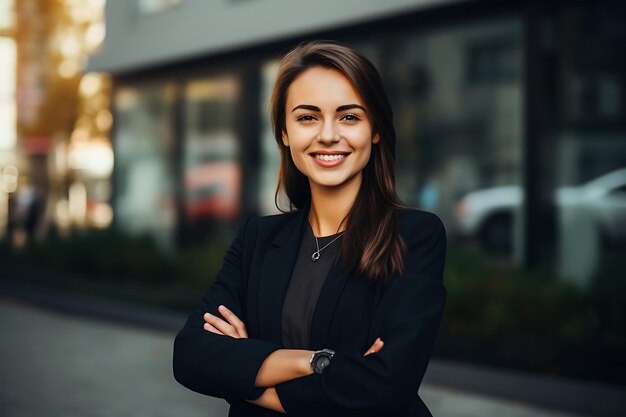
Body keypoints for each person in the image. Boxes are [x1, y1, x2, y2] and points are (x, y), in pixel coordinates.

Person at [173, 40, 447, 417]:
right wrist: (320, 361)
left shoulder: (414, 235)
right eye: (307, 117)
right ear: (284, 134)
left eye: (349, 117)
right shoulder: (257, 239)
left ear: (376, 130)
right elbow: (190, 354)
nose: (328, 135)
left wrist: (247, 381)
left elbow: (386, 384)